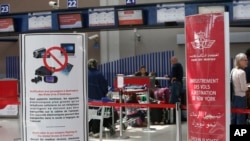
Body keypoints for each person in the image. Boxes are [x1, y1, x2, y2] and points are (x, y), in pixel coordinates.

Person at [87, 59, 116, 137]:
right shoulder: (98, 74)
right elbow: (104, 86)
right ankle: (96, 131)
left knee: (89, 114)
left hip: (87, 99)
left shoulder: (85, 73)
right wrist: (105, 93)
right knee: (97, 114)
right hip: (97, 98)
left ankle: (88, 130)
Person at [231, 53, 249, 125]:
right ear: (240, 61)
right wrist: (247, 86)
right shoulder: (242, 72)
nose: (247, 61)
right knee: (240, 119)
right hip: (241, 98)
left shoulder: (233, 70)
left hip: (233, 97)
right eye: (245, 60)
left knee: (233, 118)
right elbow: (243, 88)